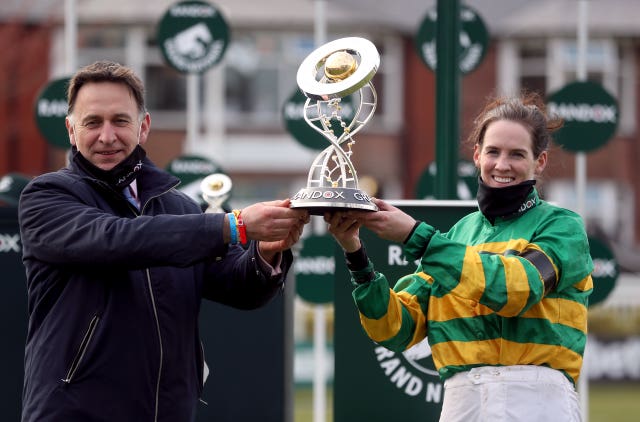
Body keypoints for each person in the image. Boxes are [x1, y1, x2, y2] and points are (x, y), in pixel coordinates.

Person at [18, 60, 309, 422]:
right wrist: (233, 226)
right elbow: (116, 239)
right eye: (92, 122)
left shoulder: (180, 206)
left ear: (144, 127)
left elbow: (239, 287)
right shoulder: (46, 197)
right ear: (71, 130)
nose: (107, 136)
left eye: (120, 121)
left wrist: (266, 253)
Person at [325, 92, 594, 421]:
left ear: (540, 161)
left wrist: (415, 236)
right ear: (478, 155)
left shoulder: (563, 227)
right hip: (461, 403)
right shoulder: (457, 236)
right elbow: (395, 329)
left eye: (517, 154)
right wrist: (356, 254)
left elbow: (514, 289)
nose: (502, 164)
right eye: (493, 151)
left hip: (537, 403)